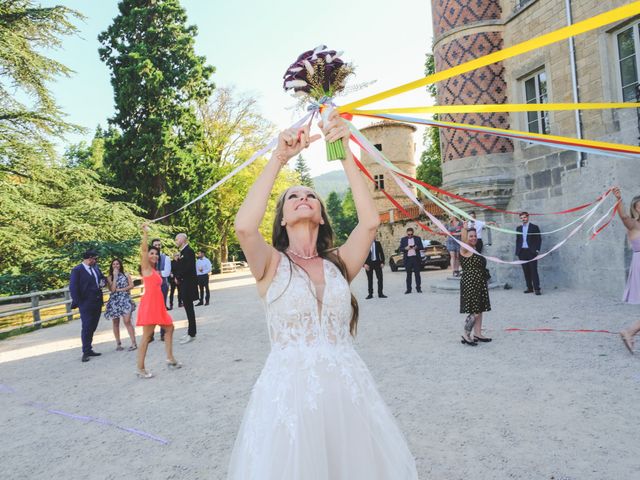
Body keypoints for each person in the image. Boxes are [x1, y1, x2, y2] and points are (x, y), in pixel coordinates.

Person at [229, 111, 418, 478]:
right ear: (282, 217)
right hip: (290, 392)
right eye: (294, 196)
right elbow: (244, 227)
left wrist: (344, 150)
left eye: (310, 195)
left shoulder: (339, 264)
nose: (303, 197)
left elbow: (369, 222)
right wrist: (278, 159)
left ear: (320, 216)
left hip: (346, 389)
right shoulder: (270, 264)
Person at [135, 224, 181, 378]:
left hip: (159, 306)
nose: (154, 255)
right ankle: (140, 369)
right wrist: (145, 233)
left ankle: (170, 358)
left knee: (170, 328)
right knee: (146, 337)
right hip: (150, 306)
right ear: (148, 255)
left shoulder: (154, 270)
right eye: (152, 253)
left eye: (156, 254)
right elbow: (143, 250)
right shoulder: (146, 268)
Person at [613, 187, 640, 354]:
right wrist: (618, 199)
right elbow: (622, 216)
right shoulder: (633, 224)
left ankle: (630, 331)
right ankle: (629, 331)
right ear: (636, 207)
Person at [69, 249, 106, 363]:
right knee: (87, 326)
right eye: (95, 258)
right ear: (89, 258)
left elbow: (102, 277)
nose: (96, 260)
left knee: (93, 326)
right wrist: (79, 302)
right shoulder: (77, 270)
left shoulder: (95, 268)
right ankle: (85, 351)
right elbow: (73, 288)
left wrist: (103, 282)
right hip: (85, 303)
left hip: (97, 301)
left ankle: (89, 348)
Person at [459, 225, 492, 346]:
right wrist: (464, 227)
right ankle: (466, 333)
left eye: (475, 236)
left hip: (480, 281)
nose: (473, 238)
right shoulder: (465, 249)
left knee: (480, 308)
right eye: (471, 236)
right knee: (475, 310)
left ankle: (478, 333)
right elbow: (463, 239)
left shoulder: (476, 248)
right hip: (470, 282)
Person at [104, 258, 137, 351]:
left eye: (117, 264)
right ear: (111, 266)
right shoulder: (109, 277)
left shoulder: (126, 274)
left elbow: (132, 285)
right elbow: (113, 289)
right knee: (115, 322)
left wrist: (122, 289)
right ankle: (118, 343)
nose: (115, 266)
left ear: (120, 265)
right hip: (114, 301)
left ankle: (134, 343)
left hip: (125, 299)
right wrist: (115, 277)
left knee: (127, 321)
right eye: (113, 264)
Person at [174, 232, 198, 344]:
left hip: (188, 284)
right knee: (187, 309)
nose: (175, 242)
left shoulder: (189, 251)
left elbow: (188, 268)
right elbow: (180, 267)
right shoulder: (182, 252)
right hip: (183, 284)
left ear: (183, 240)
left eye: (177, 239)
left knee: (189, 309)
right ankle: (190, 332)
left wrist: (178, 276)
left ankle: (192, 333)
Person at [515, 211, 542, 295]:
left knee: (533, 270)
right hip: (522, 252)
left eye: (524, 217)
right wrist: (517, 251)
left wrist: (537, 250)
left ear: (528, 217)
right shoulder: (518, 228)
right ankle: (529, 288)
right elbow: (518, 240)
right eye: (522, 218)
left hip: (531, 251)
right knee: (526, 270)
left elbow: (539, 239)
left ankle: (537, 288)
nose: (523, 219)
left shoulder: (534, 227)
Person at [150, 238, 171, 341]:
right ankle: (150, 334)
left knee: (162, 309)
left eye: (159, 245)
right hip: (151, 287)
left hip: (162, 286)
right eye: (156, 245)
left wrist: (156, 273)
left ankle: (163, 333)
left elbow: (166, 273)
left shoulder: (165, 258)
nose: (158, 246)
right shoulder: (148, 259)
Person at [399, 227, 424, 294]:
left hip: (416, 258)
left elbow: (422, 247)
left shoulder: (417, 238)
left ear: (413, 233)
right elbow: (400, 249)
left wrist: (416, 247)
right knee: (408, 275)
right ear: (407, 233)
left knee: (417, 274)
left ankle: (418, 289)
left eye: (411, 234)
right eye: (408, 234)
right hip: (408, 259)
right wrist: (405, 248)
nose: (410, 235)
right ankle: (408, 289)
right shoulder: (403, 239)